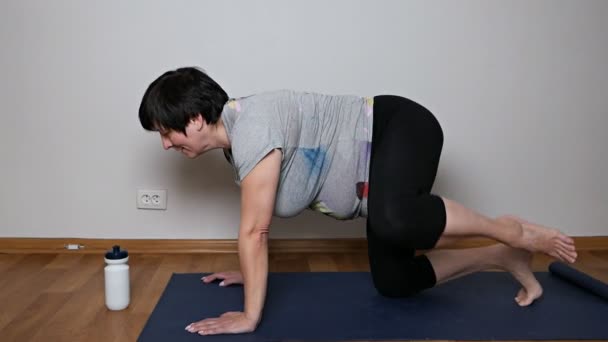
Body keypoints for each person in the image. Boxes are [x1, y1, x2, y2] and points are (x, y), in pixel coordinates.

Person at [138, 67, 578, 336]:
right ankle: (500, 255)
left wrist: (249, 316)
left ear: (194, 119)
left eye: (166, 131)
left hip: (397, 125)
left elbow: (255, 228)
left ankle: (514, 230)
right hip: (379, 184)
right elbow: (266, 213)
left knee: (395, 218)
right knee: (394, 281)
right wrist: (249, 271)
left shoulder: (252, 126)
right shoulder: (238, 145)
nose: (165, 145)